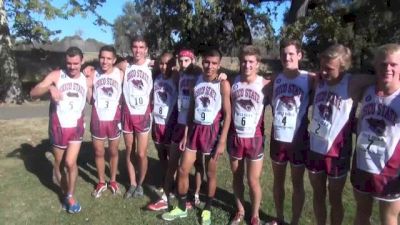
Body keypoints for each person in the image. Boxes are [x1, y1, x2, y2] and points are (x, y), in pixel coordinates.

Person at [161, 49, 231, 225]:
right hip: (193, 131)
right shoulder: (197, 81)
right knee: (183, 169)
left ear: (219, 65)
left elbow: (228, 114)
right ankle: (182, 207)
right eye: (207, 62)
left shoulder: (223, 84)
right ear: (202, 62)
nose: (210, 66)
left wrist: (222, 141)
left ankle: (207, 208)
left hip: (212, 132)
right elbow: (191, 109)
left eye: (214, 63)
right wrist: (186, 134)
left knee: (210, 173)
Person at [306, 44, 374, 225]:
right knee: (318, 195)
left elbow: (380, 78)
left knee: (335, 199)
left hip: (337, 153)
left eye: (329, 69)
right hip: (314, 148)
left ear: (343, 67)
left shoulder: (352, 82)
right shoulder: (318, 80)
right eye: (322, 67)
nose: (324, 72)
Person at [30, 46, 88, 213]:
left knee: (71, 162)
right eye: (69, 63)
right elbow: (33, 93)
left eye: (76, 63)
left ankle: (70, 195)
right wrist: (49, 88)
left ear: (82, 61)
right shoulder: (56, 75)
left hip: (76, 126)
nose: (72, 67)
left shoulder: (86, 77)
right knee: (59, 164)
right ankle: (64, 192)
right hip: (58, 126)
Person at [147, 49, 204, 211]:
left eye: (187, 60)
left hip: (195, 125)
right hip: (179, 124)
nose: (183, 64)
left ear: (192, 60)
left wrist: (223, 76)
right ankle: (166, 197)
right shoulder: (178, 74)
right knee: (174, 163)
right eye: (181, 60)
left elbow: (212, 76)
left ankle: (196, 195)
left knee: (198, 163)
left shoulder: (199, 75)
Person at [351, 43, 400, 225]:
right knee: (362, 213)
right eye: (383, 64)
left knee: (388, 219)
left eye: (394, 65)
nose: (388, 68)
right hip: (362, 164)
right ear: (375, 66)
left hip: (390, 170)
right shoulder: (367, 91)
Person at [267, 39, 315, 225]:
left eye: (291, 54)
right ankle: (279, 218)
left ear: (299, 55)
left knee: (297, 183)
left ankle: (294, 221)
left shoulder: (310, 78)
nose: (287, 57)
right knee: (278, 181)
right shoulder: (275, 79)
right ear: (280, 57)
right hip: (278, 137)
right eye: (284, 54)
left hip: (298, 139)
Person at [228, 45, 271, 225]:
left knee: (253, 180)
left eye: (251, 62)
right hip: (235, 136)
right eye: (244, 61)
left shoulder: (266, 84)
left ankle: (255, 216)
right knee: (237, 176)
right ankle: (240, 210)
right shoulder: (232, 82)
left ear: (258, 64)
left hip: (255, 138)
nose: (247, 65)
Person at [119, 36, 153, 199]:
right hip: (127, 114)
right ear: (131, 48)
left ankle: (141, 183)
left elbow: (174, 67)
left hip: (143, 114)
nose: (138, 50)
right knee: (129, 150)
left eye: (141, 47)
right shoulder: (125, 65)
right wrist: (88, 70)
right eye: (135, 47)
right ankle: (132, 183)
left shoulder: (152, 65)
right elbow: (110, 66)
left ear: (146, 49)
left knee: (141, 153)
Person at [87, 45, 123, 198]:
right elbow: (89, 99)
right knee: (99, 151)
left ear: (114, 60)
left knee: (113, 151)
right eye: (102, 57)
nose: (105, 61)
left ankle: (113, 180)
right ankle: (101, 181)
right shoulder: (94, 74)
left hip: (114, 118)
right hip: (98, 117)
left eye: (109, 58)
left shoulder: (120, 73)